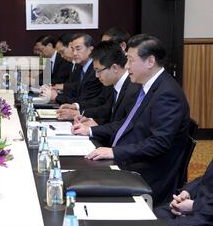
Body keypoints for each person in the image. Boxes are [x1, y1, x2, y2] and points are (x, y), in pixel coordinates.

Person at [74, 34, 189, 206]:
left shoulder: (167, 94)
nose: (126, 66)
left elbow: (159, 143)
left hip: (146, 171)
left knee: (79, 190)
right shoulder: (146, 87)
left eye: (130, 60)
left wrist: (114, 153)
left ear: (150, 62)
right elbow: (127, 124)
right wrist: (92, 132)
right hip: (128, 158)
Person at [58, 41, 140, 126]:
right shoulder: (113, 83)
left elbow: (123, 126)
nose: (97, 76)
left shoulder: (132, 89)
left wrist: (94, 128)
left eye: (98, 71)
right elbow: (107, 111)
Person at [42, 33, 102, 105]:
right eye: (73, 50)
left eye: (78, 49)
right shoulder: (80, 66)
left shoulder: (96, 71)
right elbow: (74, 89)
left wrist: (56, 97)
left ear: (91, 50)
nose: (75, 53)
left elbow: (83, 100)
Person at [154, 159, 213, 226]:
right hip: (198, 201)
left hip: (206, 217)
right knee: (151, 216)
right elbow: (207, 177)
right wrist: (187, 192)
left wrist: (194, 206)